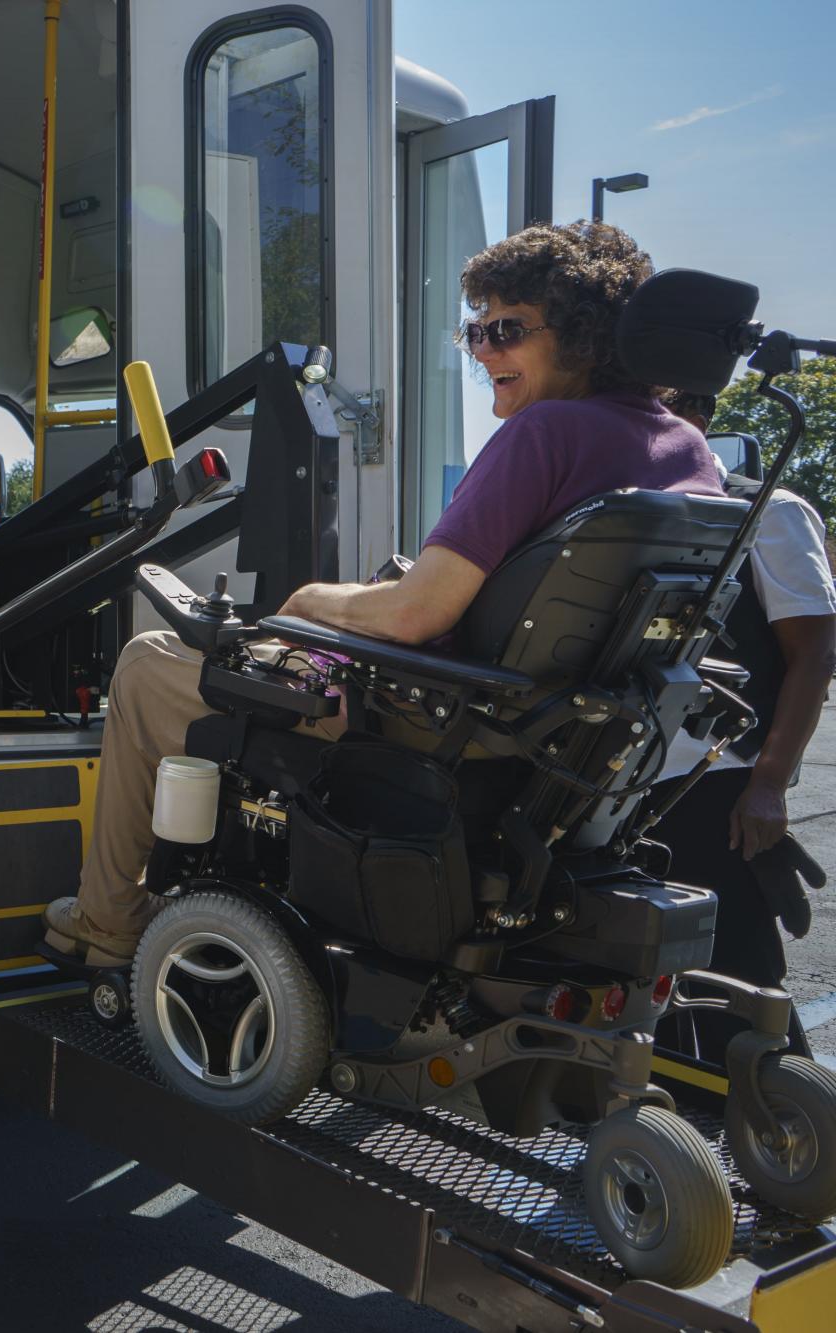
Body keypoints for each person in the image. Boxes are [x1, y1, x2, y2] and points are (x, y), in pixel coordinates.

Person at [45, 221, 726, 967]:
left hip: (422, 717)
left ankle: (108, 920)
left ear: (585, 335)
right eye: (475, 332)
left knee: (148, 664)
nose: (485, 350)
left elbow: (415, 614)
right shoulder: (690, 452)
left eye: (507, 330)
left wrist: (306, 602)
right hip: (558, 742)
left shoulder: (545, 434)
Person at [657, 390, 836, 1027]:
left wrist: (767, 785)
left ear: (698, 420)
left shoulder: (770, 509)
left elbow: (814, 655)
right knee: (651, 984)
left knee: (739, 982)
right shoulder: (626, 507)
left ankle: (780, 1118)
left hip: (719, 780)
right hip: (622, 782)